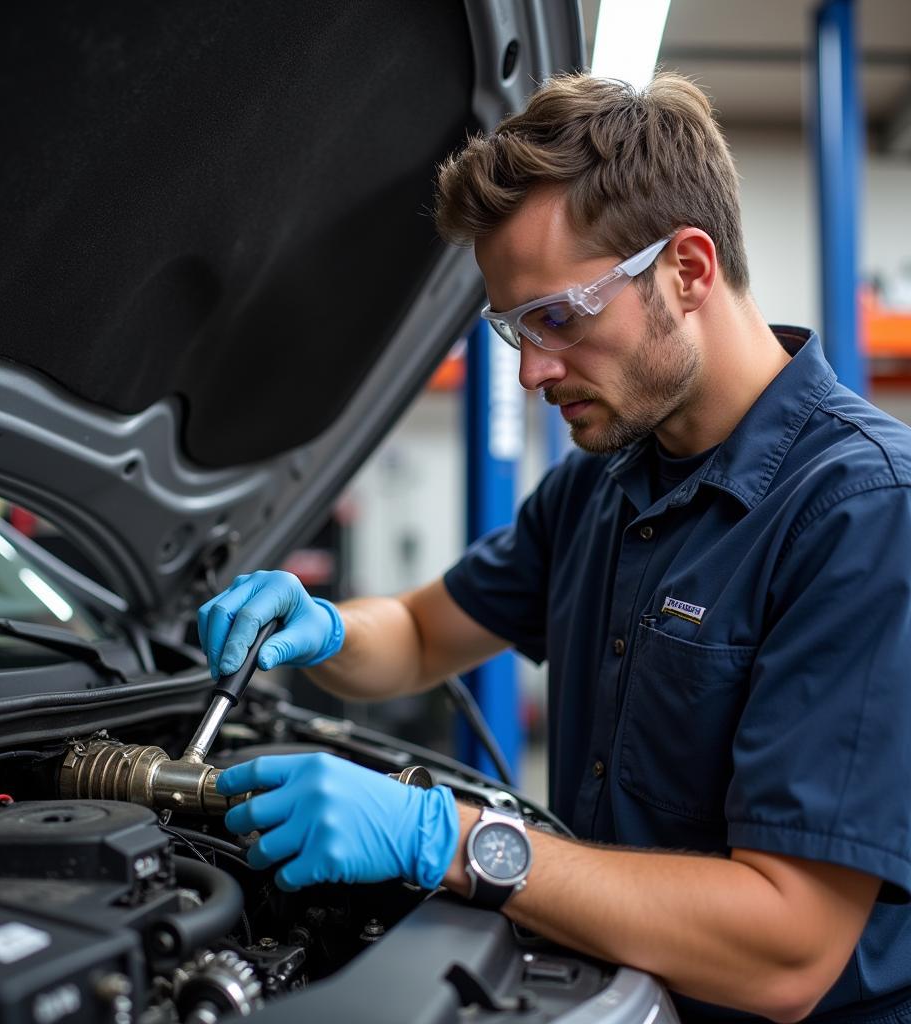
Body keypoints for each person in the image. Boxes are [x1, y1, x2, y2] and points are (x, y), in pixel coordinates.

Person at [199, 73, 911, 1023]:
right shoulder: (604, 480)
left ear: (688, 270)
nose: (533, 370)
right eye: (511, 328)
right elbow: (418, 635)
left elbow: (789, 952)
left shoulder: (865, 512)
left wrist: (446, 839)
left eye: (559, 318)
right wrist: (320, 626)